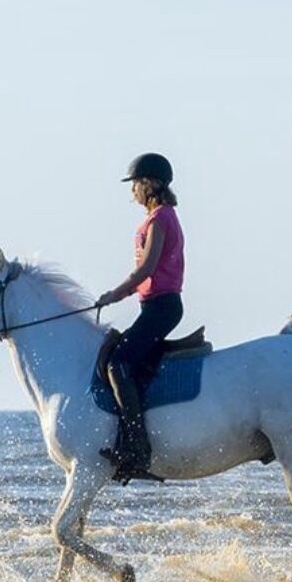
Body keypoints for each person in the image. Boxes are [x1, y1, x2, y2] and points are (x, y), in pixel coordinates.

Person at [96, 152, 185, 478]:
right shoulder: (159, 216)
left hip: (162, 306)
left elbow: (146, 268)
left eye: (134, 183)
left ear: (149, 184)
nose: (132, 190)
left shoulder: (160, 218)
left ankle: (138, 447)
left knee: (118, 364)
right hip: (156, 305)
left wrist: (114, 294)